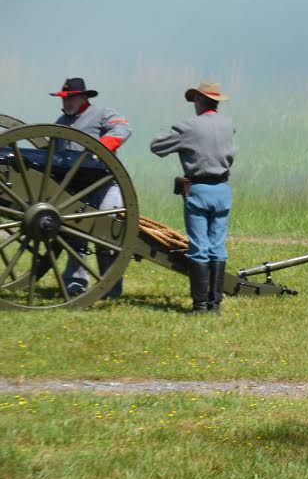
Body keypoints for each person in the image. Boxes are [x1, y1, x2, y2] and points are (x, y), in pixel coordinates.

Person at [150, 83, 236, 313]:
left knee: (199, 247)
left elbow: (156, 146)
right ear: (216, 102)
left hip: (198, 191)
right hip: (222, 190)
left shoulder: (189, 126)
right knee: (217, 246)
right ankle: (215, 305)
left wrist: (182, 142)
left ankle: (200, 306)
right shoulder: (228, 125)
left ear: (199, 101)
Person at [51, 77, 131, 298]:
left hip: (104, 183)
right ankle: (75, 287)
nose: (67, 103)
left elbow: (123, 128)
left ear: (84, 97)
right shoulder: (60, 122)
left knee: (107, 236)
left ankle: (111, 289)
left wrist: (99, 149)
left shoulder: (103, 113)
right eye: (64, 99)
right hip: (75, 189)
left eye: (71, 98)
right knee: (75, 237)